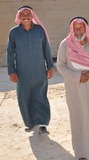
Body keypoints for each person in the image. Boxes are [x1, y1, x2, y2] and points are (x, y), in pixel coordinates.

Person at [57, 16, 89, 160]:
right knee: (79, 118)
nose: (78, 31)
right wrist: (78, 77)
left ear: (86, 28)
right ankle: (82, 152)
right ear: (71, 29)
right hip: (74, 88)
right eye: (75, 28)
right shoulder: (65, 45)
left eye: (81, 28)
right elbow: (60, 66)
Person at [6, 5, 54, 135]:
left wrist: (50, 66)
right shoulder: (14, 32)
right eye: (23, 15)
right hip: (22, 72)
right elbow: (10, 52)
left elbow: (46, 49)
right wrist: (11, 71)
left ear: (33, 16)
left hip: (39, 70)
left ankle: (42, 123)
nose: (26, 17)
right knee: (24, 97)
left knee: (40, 96)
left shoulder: (40, 31)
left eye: (28, 14)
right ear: (19, 17)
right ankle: (30, 123)